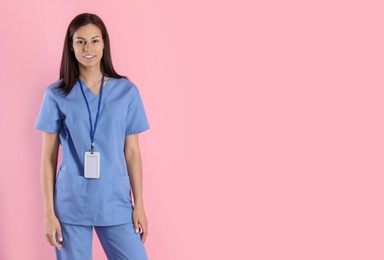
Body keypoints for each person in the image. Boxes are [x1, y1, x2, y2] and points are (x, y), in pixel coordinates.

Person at [34, 13, 150, 260]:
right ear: (71, 46)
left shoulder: (126, 92)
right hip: (70, 204)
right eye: (81, 41)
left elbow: (132, 152)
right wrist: (48, 213)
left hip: (114, 200)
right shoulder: (56, 94)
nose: (88, 48)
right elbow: (48, 158)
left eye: (95, 41)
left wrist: (139, 203)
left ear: (104, 44)